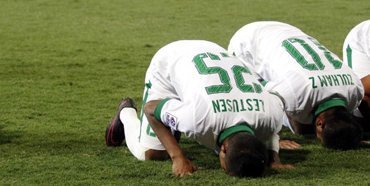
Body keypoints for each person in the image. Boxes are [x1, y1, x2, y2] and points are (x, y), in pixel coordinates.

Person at [105, 40, 289, 177]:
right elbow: (150, 108)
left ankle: (174, 116)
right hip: (171, 61)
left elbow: (276, 109)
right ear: (224, 149)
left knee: (191, 121)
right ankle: (126, 113)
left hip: (213, 54)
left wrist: (273, 157)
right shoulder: (198, 119)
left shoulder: (271, 117)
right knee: (153, 153)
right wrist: (177, 156)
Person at [228, 21, 364, 150]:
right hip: (248, 42)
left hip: (287, 31)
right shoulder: (293, 92)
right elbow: (260, 94)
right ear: (320, 123)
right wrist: (275, 141)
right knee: (254, 97)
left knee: (300, 121)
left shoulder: (356, 89)